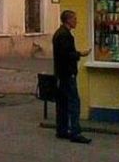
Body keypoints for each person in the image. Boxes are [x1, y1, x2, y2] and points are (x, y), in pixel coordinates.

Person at [52, 9, 91, 144]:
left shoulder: (60, 33)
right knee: (74, 102)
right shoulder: (65, 35)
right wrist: (80, 54)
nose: (76, 21)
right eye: (74, 19)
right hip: (67, 73)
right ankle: (75, 132)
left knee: (63, 102)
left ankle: (62, 130)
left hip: (61, 73)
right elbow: (67, 55)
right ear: (68, 20)